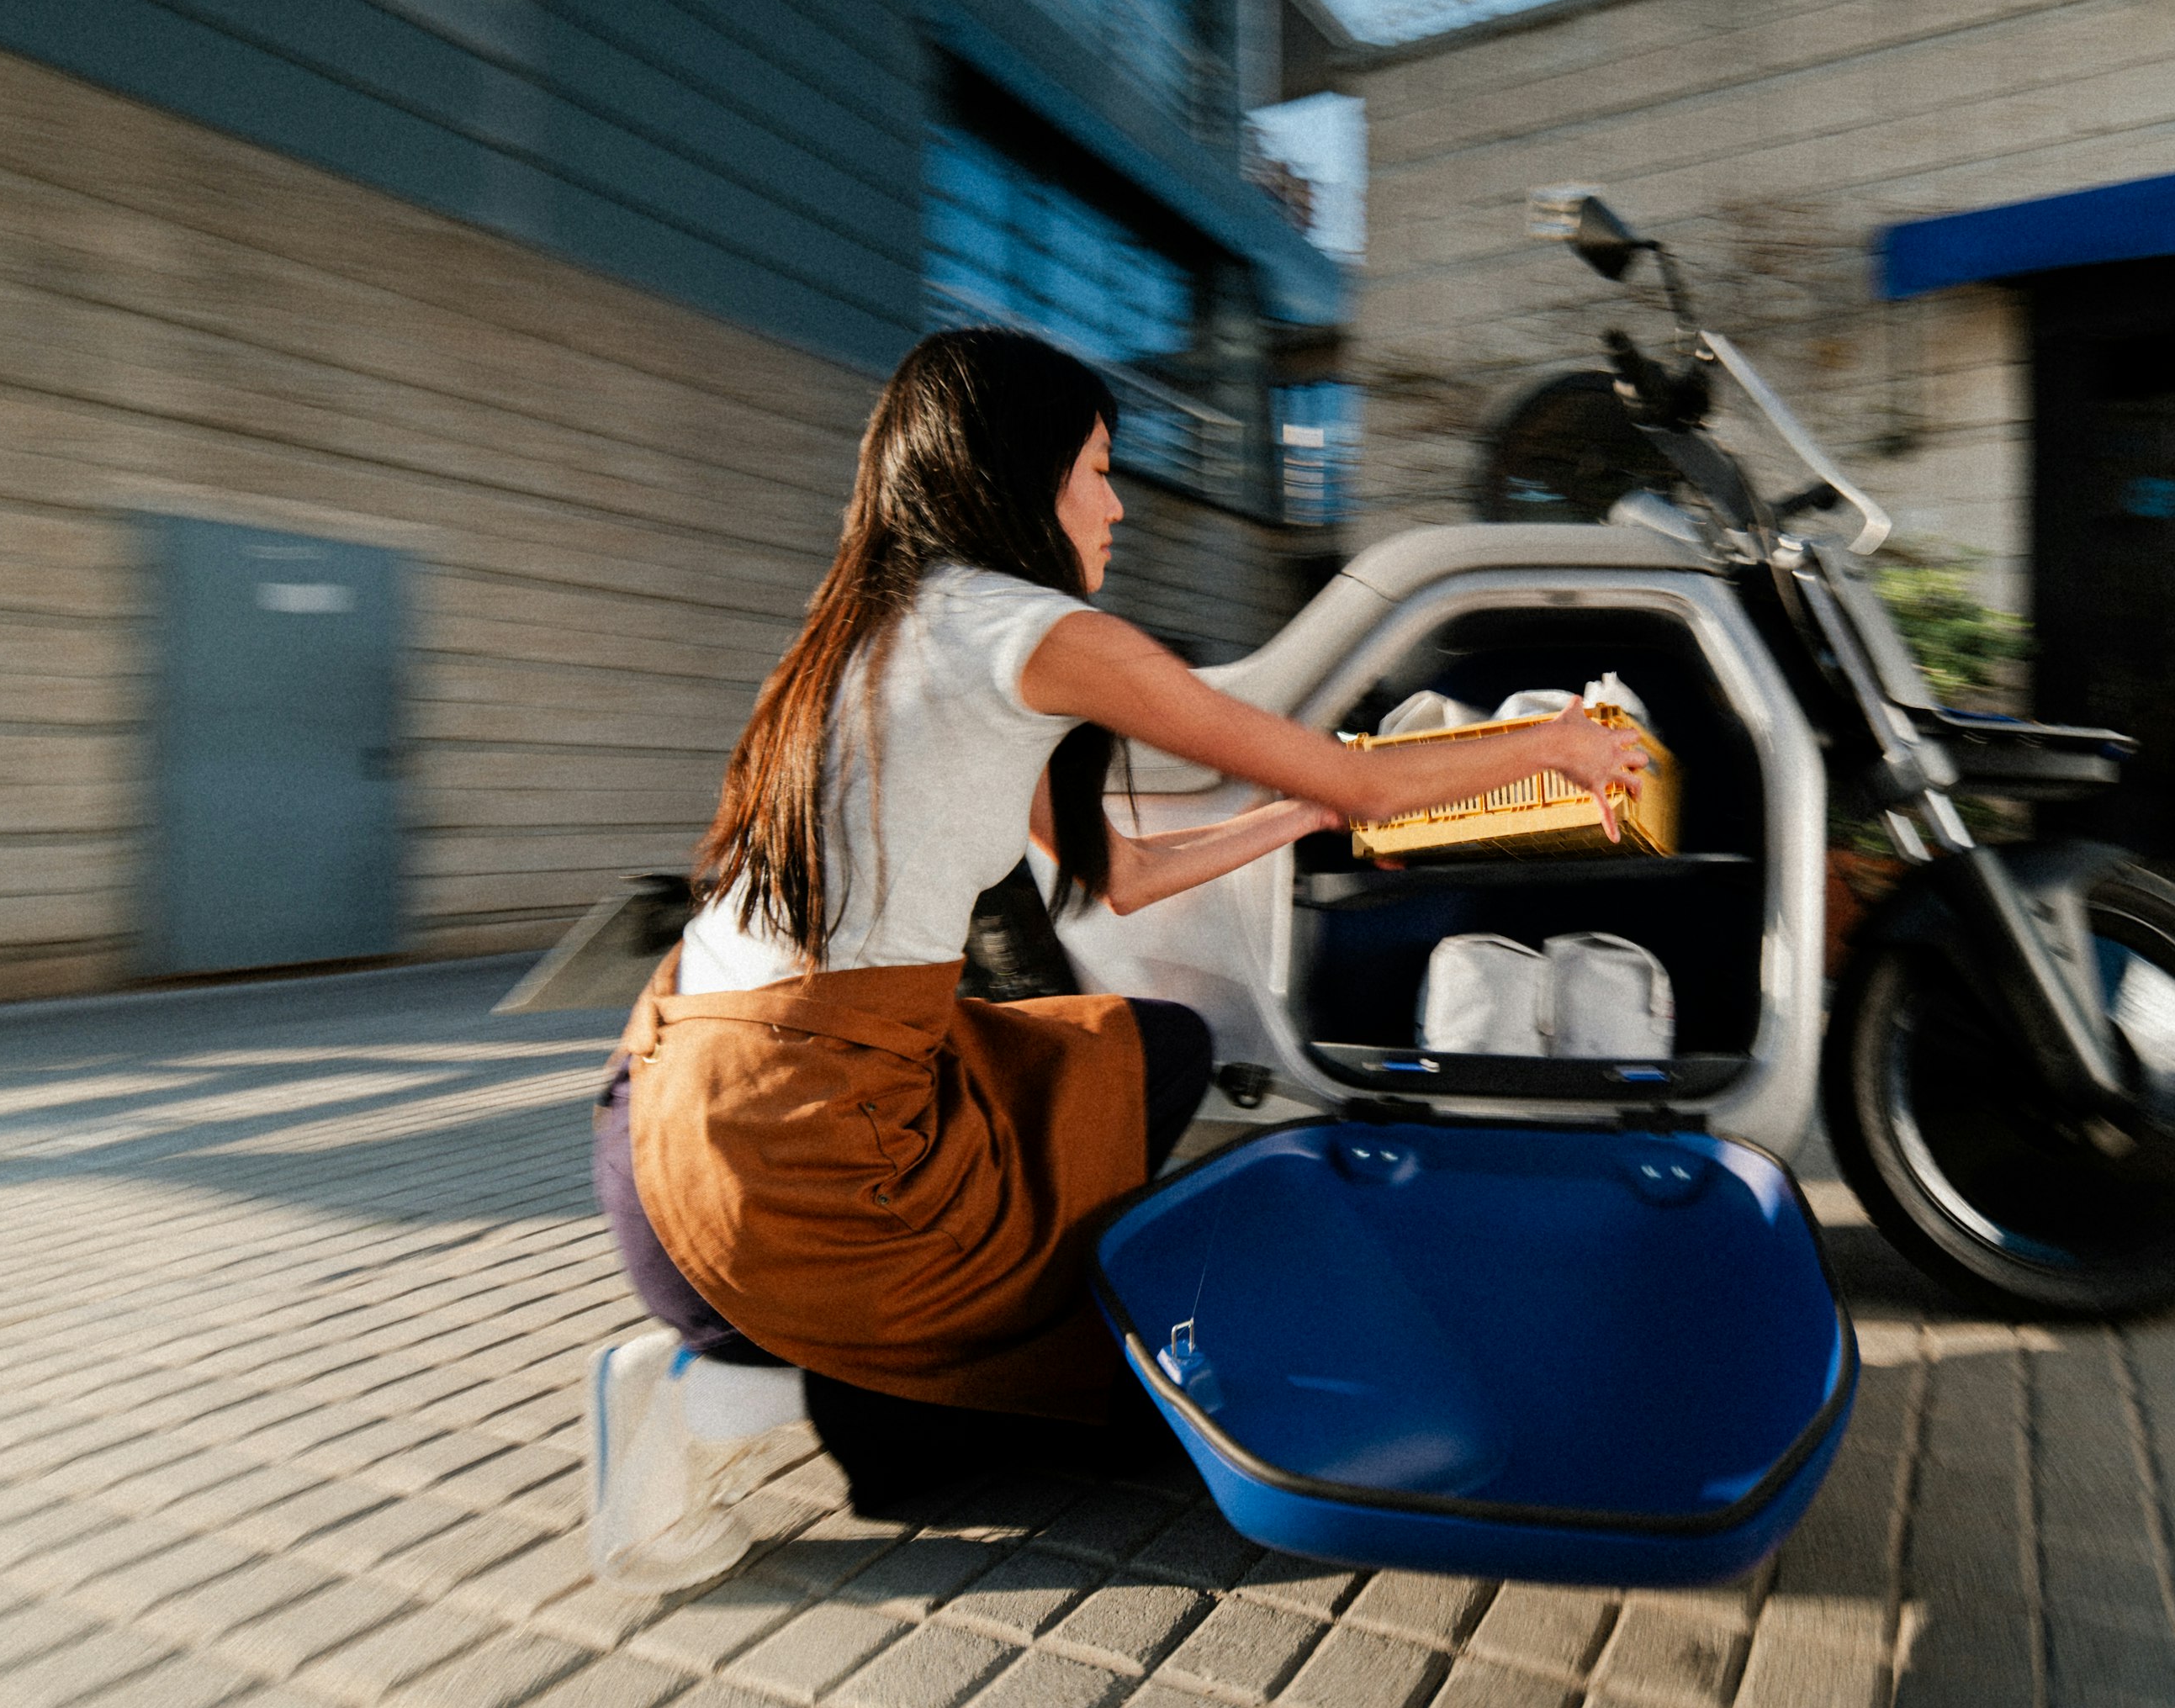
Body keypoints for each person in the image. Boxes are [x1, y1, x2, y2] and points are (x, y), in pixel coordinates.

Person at [584, 328, 1645, 1588]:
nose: (1117, 500)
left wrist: (1297, 817)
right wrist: (1563, 749)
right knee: (1103, 1374)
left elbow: (1127, 875)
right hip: (791, 1172)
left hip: (661, 1126)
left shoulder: (869, 635)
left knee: (1156, 1046)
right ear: (1018, 473)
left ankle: (767, 1357)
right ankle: (706, 1406)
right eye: (1096, 466)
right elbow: (1365, 777)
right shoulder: (1024, 629)